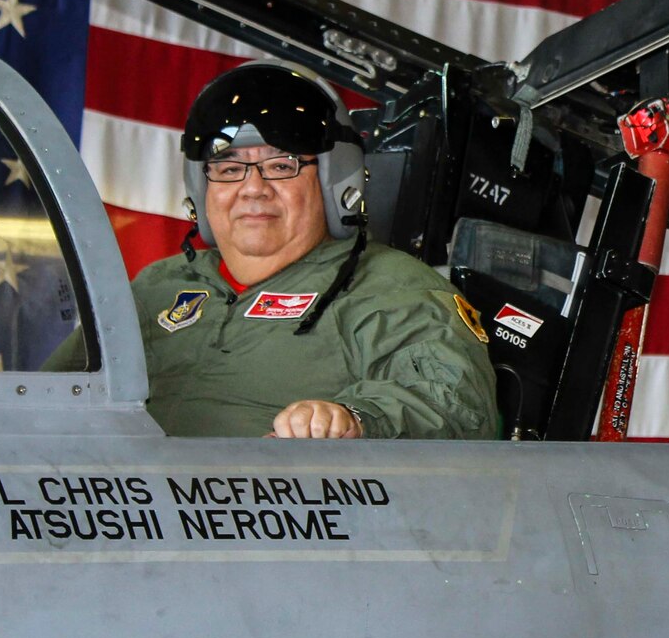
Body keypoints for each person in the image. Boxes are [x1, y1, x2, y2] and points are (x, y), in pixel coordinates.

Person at [49, 62, 500, 441]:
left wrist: (354, 420)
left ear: (331, 181)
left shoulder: (391, 289)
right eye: (228, 169)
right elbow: (49, 397)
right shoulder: (158, 286)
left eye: (281, 166)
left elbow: (456, 404)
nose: (252, 189)